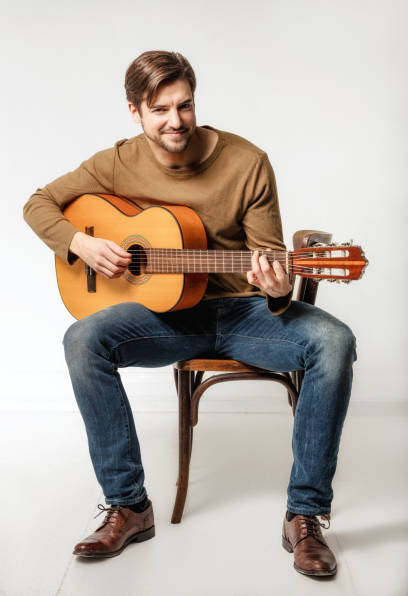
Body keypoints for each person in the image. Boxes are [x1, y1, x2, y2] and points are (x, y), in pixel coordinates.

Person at [23, 50, 356, 575]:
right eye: (159, 110)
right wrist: (78, 246)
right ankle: (130, 507)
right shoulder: (117, 161)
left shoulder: (247, 161)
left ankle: (306, 516)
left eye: (184, 106)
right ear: (135, 111)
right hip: (165, 319)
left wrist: (276, 286)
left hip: (245, 314)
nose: (175, 121)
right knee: (82, 339)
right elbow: (38, 203)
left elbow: (268, 257)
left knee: (334, 341)